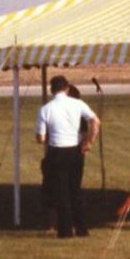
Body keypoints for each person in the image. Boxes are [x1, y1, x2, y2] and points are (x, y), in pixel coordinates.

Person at [36, 75, 100, 238]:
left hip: (57, 151)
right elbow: (95, 121)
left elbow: (41, 138)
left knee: (61, 191)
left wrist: (51, 137)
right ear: (67, 88)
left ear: (51, 90)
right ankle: (82, 228)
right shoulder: (77, 103)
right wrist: (89, 142)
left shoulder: (46, 109)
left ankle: (65, 231)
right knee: (75, 189)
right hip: (75, 150)